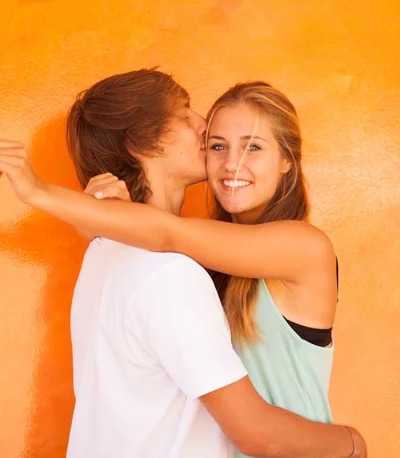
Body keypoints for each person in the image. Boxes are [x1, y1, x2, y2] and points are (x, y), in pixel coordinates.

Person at [0, 68, 366, 458]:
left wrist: (352, 444)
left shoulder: (302, 247)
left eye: (254, 147)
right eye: (187, 113)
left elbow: (167, 235)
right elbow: (164, 239)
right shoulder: (177, 266)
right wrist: (98, 221)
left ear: (288, 161)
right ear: (139, 142)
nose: (204, 129)